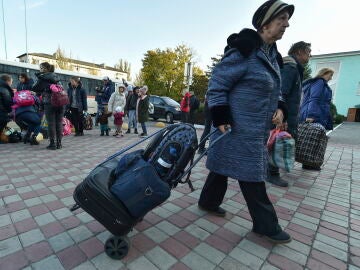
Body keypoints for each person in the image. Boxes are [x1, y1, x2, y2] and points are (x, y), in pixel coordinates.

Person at [198, 0, 294, 244]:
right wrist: (220, 116)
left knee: (222, 164)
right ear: (265, 22)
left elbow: (278, 91)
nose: (287, 24)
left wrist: (280, 109)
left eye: (287, 19)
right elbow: (218, 84)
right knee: (252, 175)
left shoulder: (273, 56)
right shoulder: (246, 49)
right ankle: (266, 225)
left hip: (256, 127)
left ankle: (208, 201)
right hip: (236, 127)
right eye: (281, 18)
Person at [268, 41, 311, 187]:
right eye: (308, 53)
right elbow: (282, 92)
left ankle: (271, 170)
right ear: (299, 52)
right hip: (284, 115)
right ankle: (271, 173)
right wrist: (283, 116)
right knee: (277, 142)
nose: (310, 56)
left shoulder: (294, 68)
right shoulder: (290, 67)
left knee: (278, 141)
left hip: (289, 114)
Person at [299, 68, 334, 169]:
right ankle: (307, 163)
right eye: (330, 75)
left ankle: (308, 162)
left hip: (319, 113)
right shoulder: (319, 82)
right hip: (315, 114)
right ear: (324, 73)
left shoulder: (322, 84)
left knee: (312, 138)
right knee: (310, 138)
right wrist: (311, 115)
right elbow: (314, 98)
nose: (331, 78)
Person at [32, 62, 64, 150]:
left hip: (49, 103)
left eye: (40, 68)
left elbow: (34, 88)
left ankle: (52, 144)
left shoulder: (43, 77)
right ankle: (59, 143)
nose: (40, 69)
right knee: (59, 123)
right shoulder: (56, 76)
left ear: (44, 68)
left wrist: (38, 77)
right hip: (60, 102)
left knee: (51, 123)